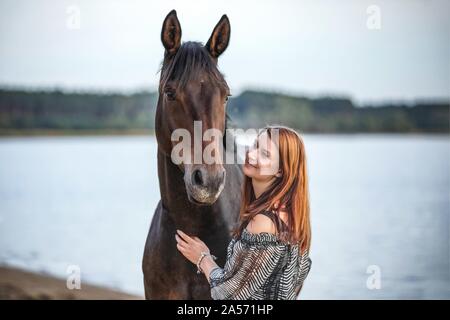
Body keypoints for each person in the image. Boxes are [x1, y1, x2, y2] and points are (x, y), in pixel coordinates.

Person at [175, 126, 312, 299]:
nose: (252, 155)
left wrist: (203, 258)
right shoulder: (292, 216)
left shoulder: (264, 223)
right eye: (255, 146)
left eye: (265, 154)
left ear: (280, 171)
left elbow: (229, 295)